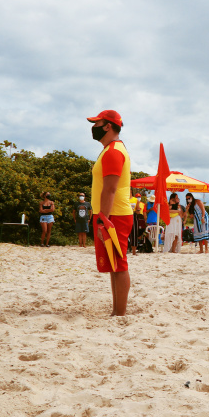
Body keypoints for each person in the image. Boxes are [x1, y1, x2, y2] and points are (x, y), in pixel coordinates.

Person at [87, 110, 132, 316]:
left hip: (114, 214)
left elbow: (110, 189)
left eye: (97, 123)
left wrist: (102, 219)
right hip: (108, 212)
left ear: (108, 126)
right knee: (114, 264)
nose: (93, 127)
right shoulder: (109, 149)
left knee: (119, 264)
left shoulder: (114, 151)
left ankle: (120, 313)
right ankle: (116, 311)